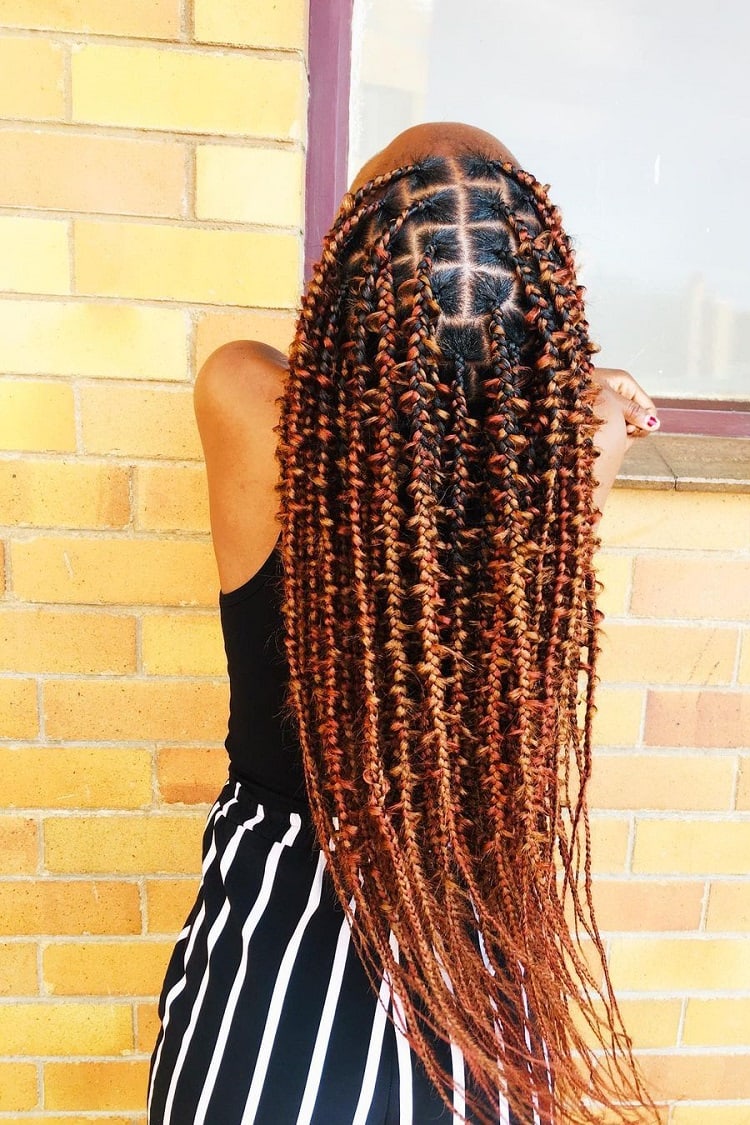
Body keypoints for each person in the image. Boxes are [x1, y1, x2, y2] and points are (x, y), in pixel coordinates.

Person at [147, 122, 661, 1125]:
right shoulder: (577, 448)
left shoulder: (246, 398)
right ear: (545, 305)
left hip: (266, 1002)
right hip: (472, 997)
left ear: (348, 284)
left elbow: (324, 387)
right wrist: (576, 392)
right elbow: (557, 414)